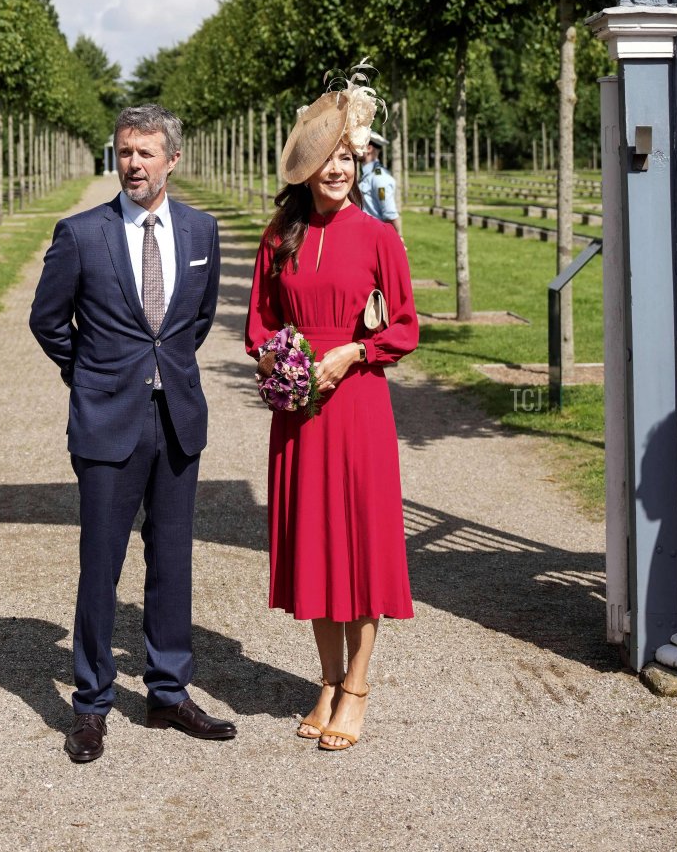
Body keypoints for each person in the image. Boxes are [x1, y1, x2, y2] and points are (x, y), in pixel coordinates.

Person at [29, 103, 234, 763]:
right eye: (124, 152)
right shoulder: (81, 233)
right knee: (101, 563)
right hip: (106, 420)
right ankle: (90, 704)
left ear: (173, 159)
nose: (134, 163)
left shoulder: (203, 232)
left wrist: (160, 369)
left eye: (146, 152)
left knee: (172, 559)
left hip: (177, 416)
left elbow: (194, 322)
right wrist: (91, 374)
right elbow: (47, 320)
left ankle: (168, 691)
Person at [245, 73, 418, 752]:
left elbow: (403, 326)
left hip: (359, 407)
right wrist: (274, 360)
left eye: (350, 156)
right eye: (330, 157)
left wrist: (352, 352)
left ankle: (358, 686)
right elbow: (258, 323)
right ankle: (325, 678)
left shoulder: (378, 236)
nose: (340, 167)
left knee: (362, 546)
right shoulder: (278, 235)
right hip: (300, 415)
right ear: (308, 167)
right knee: (316, 546)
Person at [360, 132, 402, 234]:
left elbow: (389, 214)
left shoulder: (379, 179)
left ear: (369, 149)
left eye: (359, 145)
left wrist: (398, 239)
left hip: (375, 237)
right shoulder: (368, 175)